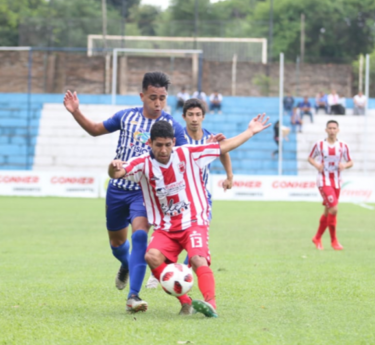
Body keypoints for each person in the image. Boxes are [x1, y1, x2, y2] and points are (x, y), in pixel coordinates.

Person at [108, 114, 271, 317]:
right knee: (151, 256)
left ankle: (211, 303)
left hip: (193, 221)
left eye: (168, 144)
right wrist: (113, 167)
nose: (164, 150)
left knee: (196, 259)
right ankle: (187, 302)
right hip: (166, 227)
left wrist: (250, 131)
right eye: (158, 145)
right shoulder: (142, 163)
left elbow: (223, 148)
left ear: (174, 142)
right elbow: (118, 173)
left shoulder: (188, 153)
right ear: (149, 143)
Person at [63, 72, 187, 313]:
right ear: (142, 96)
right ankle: (126, 264)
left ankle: (133, 296)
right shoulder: (126, 117)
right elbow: (96, 129)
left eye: (162, 98)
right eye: (153, 97)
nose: (158, 103)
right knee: (117, 243)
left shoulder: (172, 125)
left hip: (146, 194)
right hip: (118, 190)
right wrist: (76, 111)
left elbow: (188, 155)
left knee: (140, 237)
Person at [145, 98, 234, 289]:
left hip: (200, 198)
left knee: (195, 237)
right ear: (184, 117)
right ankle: (165, 270)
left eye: (198, 115)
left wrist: (229, 176)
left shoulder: (210, 137)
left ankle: (179, 276)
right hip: (174, 197)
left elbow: (223, 151)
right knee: (168, 234)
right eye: (190, 115)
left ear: (203, 116)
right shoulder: (175, 138)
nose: (194, 119)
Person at [308, 120, 352, 251]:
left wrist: (345, 165)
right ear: (326, 130)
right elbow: (310, 158)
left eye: (334, 128)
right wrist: (317, 165)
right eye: (330, 128)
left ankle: (317, 238)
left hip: (337, 181)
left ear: (338, 130)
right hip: (323, 180)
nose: (332, 130)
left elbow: (351, 161)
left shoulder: (343, 146)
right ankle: (334, 241)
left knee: (328, 212)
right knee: (334, 209)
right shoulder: (319, 144)